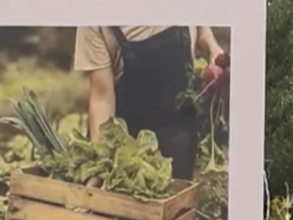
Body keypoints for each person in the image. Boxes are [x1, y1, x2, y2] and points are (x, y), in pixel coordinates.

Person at [72, 25, 226, 181]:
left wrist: (213, 48)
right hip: (131, 157)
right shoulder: (95, 22)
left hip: (183, 141)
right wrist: (101, 167)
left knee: (182, 200)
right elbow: (101, 98)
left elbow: (200, 27)